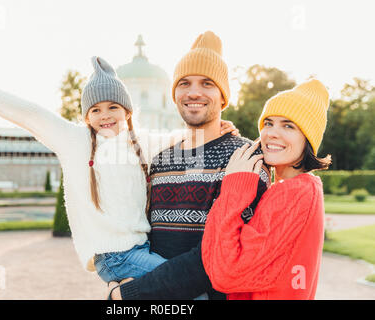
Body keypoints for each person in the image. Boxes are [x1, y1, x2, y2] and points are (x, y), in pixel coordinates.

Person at [0, 57, 237, 284]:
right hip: (115, 257)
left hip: (141, 248)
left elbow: (180, 137)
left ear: (127, 111)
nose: (105, 116)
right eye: (95, 110)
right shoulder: (75, 141)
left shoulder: (140, 142)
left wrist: (219, 130)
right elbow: (33, 115)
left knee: (173, 289)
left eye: (112, 107)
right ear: (87, 116)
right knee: (188, 286)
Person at [108, 31, 271, 300]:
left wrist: (129, 294)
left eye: (207, 83)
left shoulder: (246, 158)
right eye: (184, 83)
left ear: (223, 96)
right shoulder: (161, 161)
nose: (194, 92)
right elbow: (146, 240)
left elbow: (222, 255)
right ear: (174, 94)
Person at [201, 79, 331, 300]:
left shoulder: (292, 193)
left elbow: (227, 274)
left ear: (308, 139)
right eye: (268, 123)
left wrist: (233, 188)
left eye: (288, 126)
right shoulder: (304, 187)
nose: (271, 133)